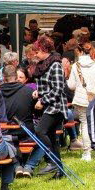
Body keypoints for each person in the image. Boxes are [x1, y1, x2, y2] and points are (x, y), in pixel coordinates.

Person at [31, 35, 68, 179]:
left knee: (40, 131)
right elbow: (47, 85)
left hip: (56, 107)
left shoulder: (55, 65)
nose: (35, 54)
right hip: (49, 106)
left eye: (37, 51)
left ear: (45, 50)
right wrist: (38, 92)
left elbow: (58, 89)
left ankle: (51, 160)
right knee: (52, 138)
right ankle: (60, 171)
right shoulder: (44, 64)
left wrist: (43, 100)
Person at [0, 65, 44, 177]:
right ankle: (29, 166)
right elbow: (38, 112)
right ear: (16, 77)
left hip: (4, 134)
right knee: (47, 140)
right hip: (25, 133)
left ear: (3, 78)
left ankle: (17, 165)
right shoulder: (29, 91)